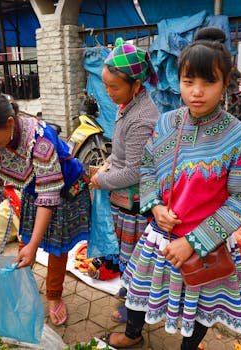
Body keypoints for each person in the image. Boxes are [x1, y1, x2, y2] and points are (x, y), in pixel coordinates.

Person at [105, 27, 241, 349]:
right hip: (159, 235)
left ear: (226, 82)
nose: (197, 92)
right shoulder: (166, 123)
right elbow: (147, 167)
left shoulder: (239, 138)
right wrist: (154, 206)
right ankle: (134, 334)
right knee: (139, 290)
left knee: (199, 309)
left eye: (209, 82)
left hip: (206, 245)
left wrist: (193, 242)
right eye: (189, 82)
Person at [0, 91, 91, 326]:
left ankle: (54, 296)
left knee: (55, 248)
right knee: (25, 241)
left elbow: (49, 194)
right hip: (33, 192)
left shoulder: (41, 138)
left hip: (63, 191)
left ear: (10, 123)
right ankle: (24, 290)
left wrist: (35, 245)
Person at [90, 37, 159, 322]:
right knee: (125, 254)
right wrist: (107, 163)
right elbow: (123, 154)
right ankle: (130, 293)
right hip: (123, 198)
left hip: (135, 203)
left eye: (113, 87)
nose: (107, 93)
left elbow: (135, 171)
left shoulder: (142, 118)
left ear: (136, 85)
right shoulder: (128, 105)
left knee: (134, 260)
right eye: (105, 85)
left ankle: (135, 314)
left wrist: (100, 181)